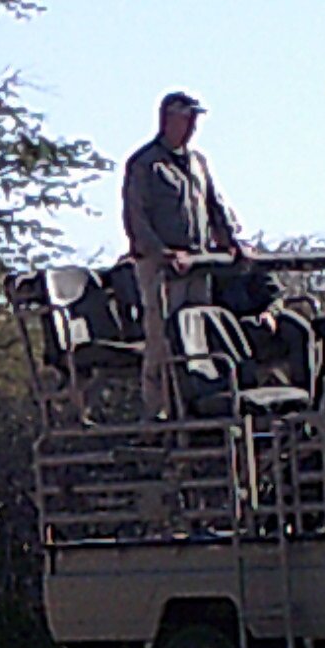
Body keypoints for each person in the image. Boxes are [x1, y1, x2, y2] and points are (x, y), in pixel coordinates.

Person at [121, 90, 247, 419]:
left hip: (199, 264)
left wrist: (231, 242)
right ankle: (158, 412)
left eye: (195, 119)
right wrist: (163, 254)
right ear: (168, 119)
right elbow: (137, 219)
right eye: (186, 117)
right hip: (161, 270)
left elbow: (215, 206)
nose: (192, 126)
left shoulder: (198, 162)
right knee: (162, 340)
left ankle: (195, 405)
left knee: (198, 336)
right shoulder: (145, 164)